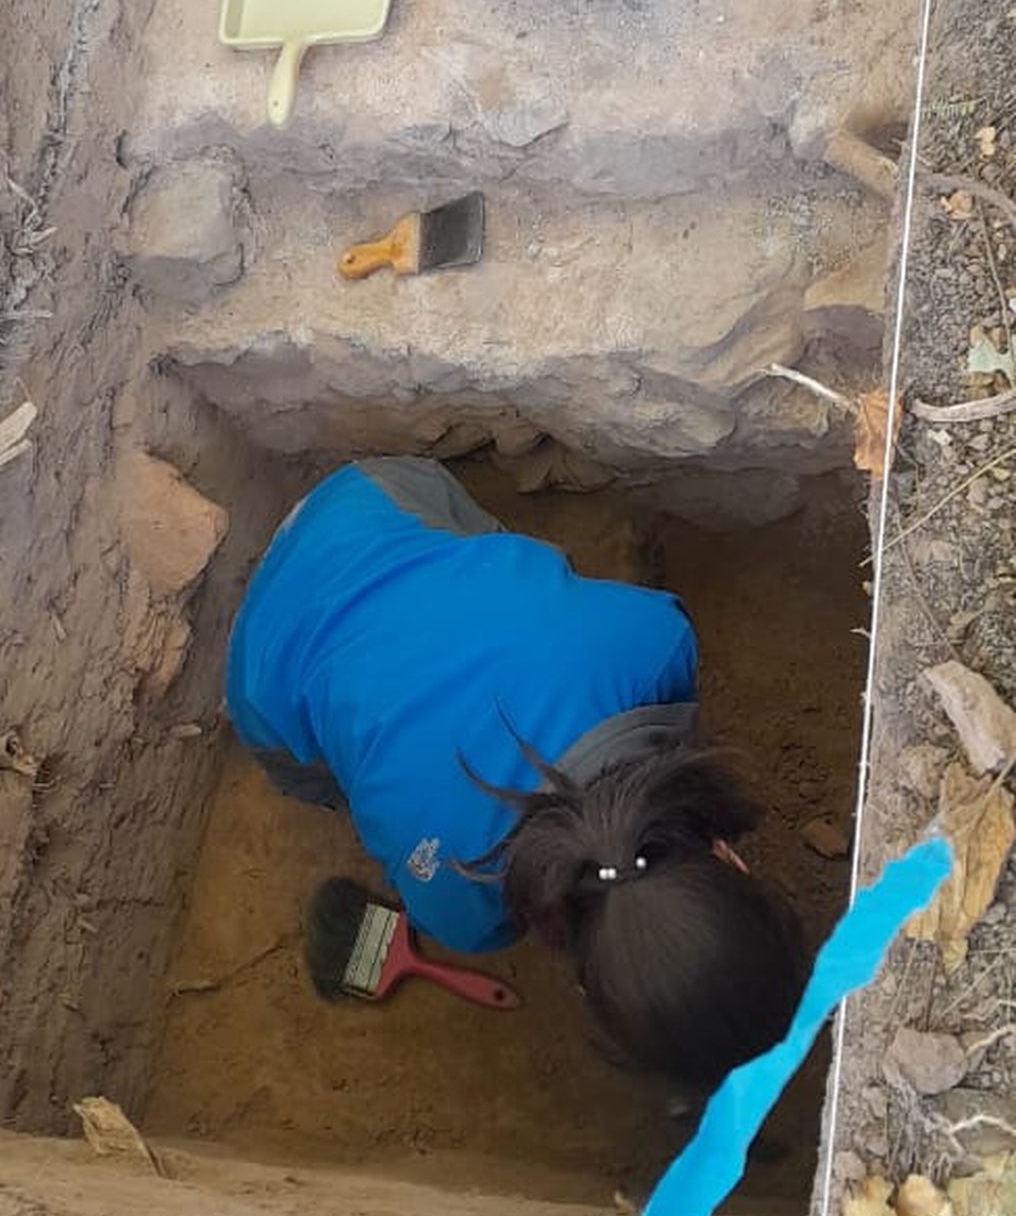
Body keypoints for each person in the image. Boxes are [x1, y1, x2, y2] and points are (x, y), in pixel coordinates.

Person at [225, 456, 810, 1098]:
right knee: (327, 778)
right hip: (262, 673)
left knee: (501, 580)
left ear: (732, 862)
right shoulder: (462, 907)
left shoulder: (655, 645)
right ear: (584, 985)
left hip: (369, 499)